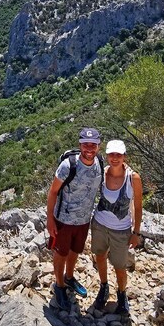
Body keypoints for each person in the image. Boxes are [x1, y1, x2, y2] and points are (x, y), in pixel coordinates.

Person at [46, 127, 104, 310]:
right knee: (61, 253)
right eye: (85, 144)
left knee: (75, 251)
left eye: (93, 145)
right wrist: (50, 219)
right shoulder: (68, 166)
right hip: (64, 219)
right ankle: (59, 285)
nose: (89, 148)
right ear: (80, 145)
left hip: (84, 220)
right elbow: (53, 192)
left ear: (98, 147)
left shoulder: (99, 163)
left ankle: (69, 278)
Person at [90, 139, 143, 314]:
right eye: (112, 154)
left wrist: (136, 232)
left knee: (120, 266)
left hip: (121, 230)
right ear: (107, 155)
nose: (115, 158)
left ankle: (121, 294)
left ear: (124, 156)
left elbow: (137, 206)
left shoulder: (133, 178)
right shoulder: (103, 174)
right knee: (99, 256)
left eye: (118, 155)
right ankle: (104, 287)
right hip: (99, 224)